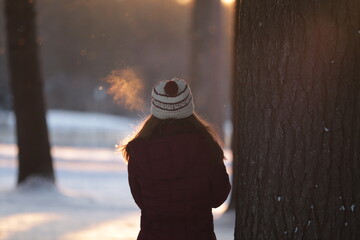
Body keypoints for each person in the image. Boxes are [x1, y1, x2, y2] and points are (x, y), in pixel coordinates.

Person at [121, 78, 231, 240]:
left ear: (156, 108)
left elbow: (141, 200)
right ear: (188, 106)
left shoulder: (139, 150)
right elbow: (218, 197)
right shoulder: (207, 146)